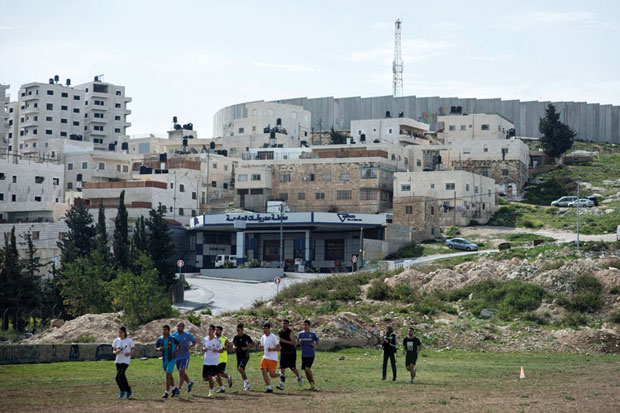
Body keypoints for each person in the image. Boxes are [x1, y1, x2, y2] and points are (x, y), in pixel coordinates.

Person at [155, 325, 181, 398]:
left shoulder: (173, 338)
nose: (163, 331)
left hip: (172, 358)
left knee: (168, 374)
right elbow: (156, 347)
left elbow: (179, 345)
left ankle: (166, 392)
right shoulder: (160, 339)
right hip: (164, 359)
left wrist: (176, 352)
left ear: (168, 331)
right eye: (163, 330)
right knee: (169, 375)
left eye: (165, 330)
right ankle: (174, 388)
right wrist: (159, 349)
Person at [171, 321, 196, 396]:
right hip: (177, 356)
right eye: (177, 326)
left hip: (185, 356)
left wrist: (190, 347)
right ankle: (189, 383)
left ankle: (178, 389)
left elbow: (194, 342)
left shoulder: (187, 335)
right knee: (181, 372)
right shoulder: (174, 336)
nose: (178, 327)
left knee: (181, 371)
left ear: (183, 327)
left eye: (180, 326)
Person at [259, 322, 283, 393]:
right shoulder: (262, 337)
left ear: (269, 329)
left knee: (272, 375)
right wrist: (261, 347)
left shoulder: (273, 337)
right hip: (265, 357)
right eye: (263, 328)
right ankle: (269, 387)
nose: (264, 330)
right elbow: (263, 346)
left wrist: (272, 349)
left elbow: (279, 348)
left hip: (272, 358)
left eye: (266, 328)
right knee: (264, 372)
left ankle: (280, 374)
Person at [112, 326, 135, 399]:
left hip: (125, 361)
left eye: (121, 332)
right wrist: (116, 352)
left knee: (118, 377)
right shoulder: (116, 341)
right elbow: (114, 351)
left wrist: (129, 354)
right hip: (118, 361)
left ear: (124, 333)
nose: (119, 334)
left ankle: (127, 391)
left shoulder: (129, 341)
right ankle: (124, 391)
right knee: (121, 377)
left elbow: (133, 349)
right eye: (119, 332)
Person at [278, 319, 302, 388]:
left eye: (285, 323)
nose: (283, 325)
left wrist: (285, 341)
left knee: (292, 368)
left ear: (288, 325)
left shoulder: (290, 332)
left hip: (291, 353)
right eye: (282, 323)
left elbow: (293, 342)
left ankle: (299, 376)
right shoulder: (280, 332)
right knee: (282, 368)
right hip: (283, 352)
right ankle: (281, 384)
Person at [297, 319, 320, 390]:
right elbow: (298, 345)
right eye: (303, 325)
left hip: (311, 354)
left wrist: (315, 344)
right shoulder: (300, 334)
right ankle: (311, 385)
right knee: (305, 371)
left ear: (309, 325)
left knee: (307, 369)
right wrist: (299, 342)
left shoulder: (313, 334)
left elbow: (318, 341)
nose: (304, 326)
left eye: (306, 325)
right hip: (304, 355)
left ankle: (312, 381)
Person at [202, 324, 223, 398]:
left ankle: (211, 391)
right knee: (205, 378)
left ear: (214, 331)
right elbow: (203, 347)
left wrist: (216, 350)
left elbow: (221, 350)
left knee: (209, 376)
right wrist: (204, 349)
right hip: (206, 361)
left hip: (213, 361)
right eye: (208, 329)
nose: (209, 331)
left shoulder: (217, 341)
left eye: (210, 330)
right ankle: (213, 378)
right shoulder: (205, 339)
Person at [232, 323, 255, 391]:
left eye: (239, 330)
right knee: (240, 369)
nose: (238, 331)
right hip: (238, 356)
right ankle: (246, 382)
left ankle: (246, 383)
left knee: (240, 368)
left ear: (242, 330)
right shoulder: (236, 337)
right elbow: (234, 344)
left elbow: (253, 344)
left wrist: (247, 348)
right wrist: (234, 347)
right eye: (237, 330)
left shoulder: (246, 337)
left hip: (245, 355)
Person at [214, 326, 233, 393]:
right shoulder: (213, 338)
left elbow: (230, 347)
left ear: (221, 331)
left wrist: (224, 349)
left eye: (218, 330)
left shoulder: (224, 339)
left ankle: (228, 377)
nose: (216, 331)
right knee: (216, 374)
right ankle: (221, 388)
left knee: (219, 373)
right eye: (215, 330)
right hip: (215, 359)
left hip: (222, 359)